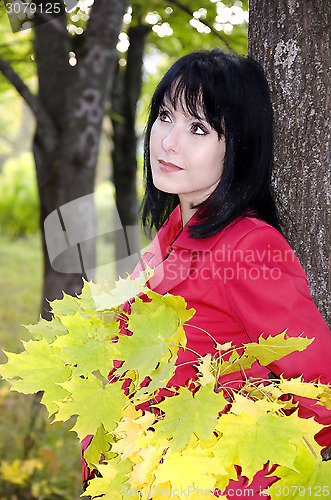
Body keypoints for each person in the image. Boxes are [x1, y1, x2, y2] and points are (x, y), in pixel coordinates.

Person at [82, 49, 331, 498]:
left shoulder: (250, 245)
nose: (168, 142)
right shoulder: (167, 239)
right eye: (164, 116)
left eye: (197, 128)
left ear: (238, 145)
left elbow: (320, 384)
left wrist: (258, 475)